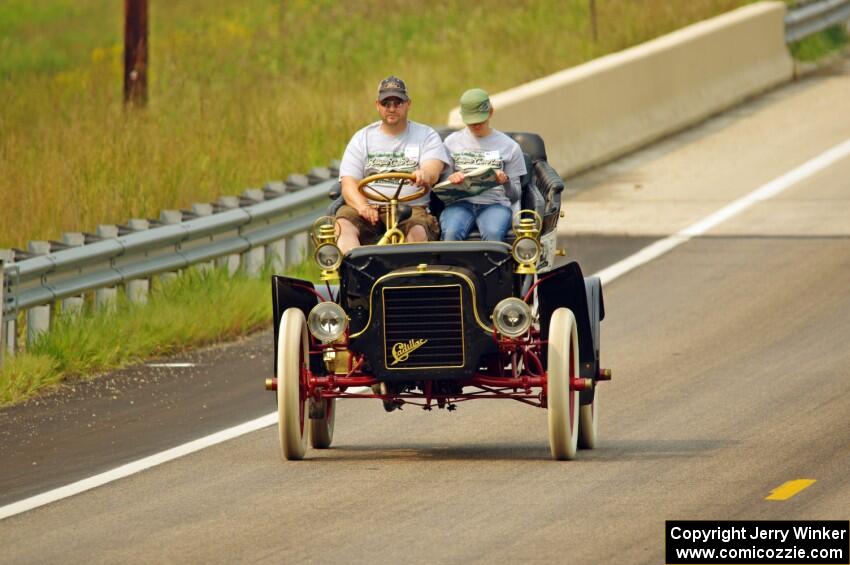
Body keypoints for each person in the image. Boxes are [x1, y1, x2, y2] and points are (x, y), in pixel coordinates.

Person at [335, 76, 450, 254]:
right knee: (342, 225)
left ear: (408, 104)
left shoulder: (426, 135)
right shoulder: (362, 138)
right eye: (386, 103)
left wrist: (424, 174)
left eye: (398, 103)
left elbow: (433, 169)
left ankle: (411, 276)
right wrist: (362, 206)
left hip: (411, 209)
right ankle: (356, 272)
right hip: (370, 207)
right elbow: (348, 183)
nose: (392, 109)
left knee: (418, 232)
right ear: (377, 105)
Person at [440, 88, 527, 242]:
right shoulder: (451, 143)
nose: (476, 125)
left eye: (480, 120)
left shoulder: (510, 146)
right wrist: (451, 179)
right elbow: (442, 190)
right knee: (451, 233)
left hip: (495, 204)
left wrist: (505, 181)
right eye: (471, 122)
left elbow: (515, 195)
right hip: (461, 203)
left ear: (491, 113)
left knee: (493, 232)